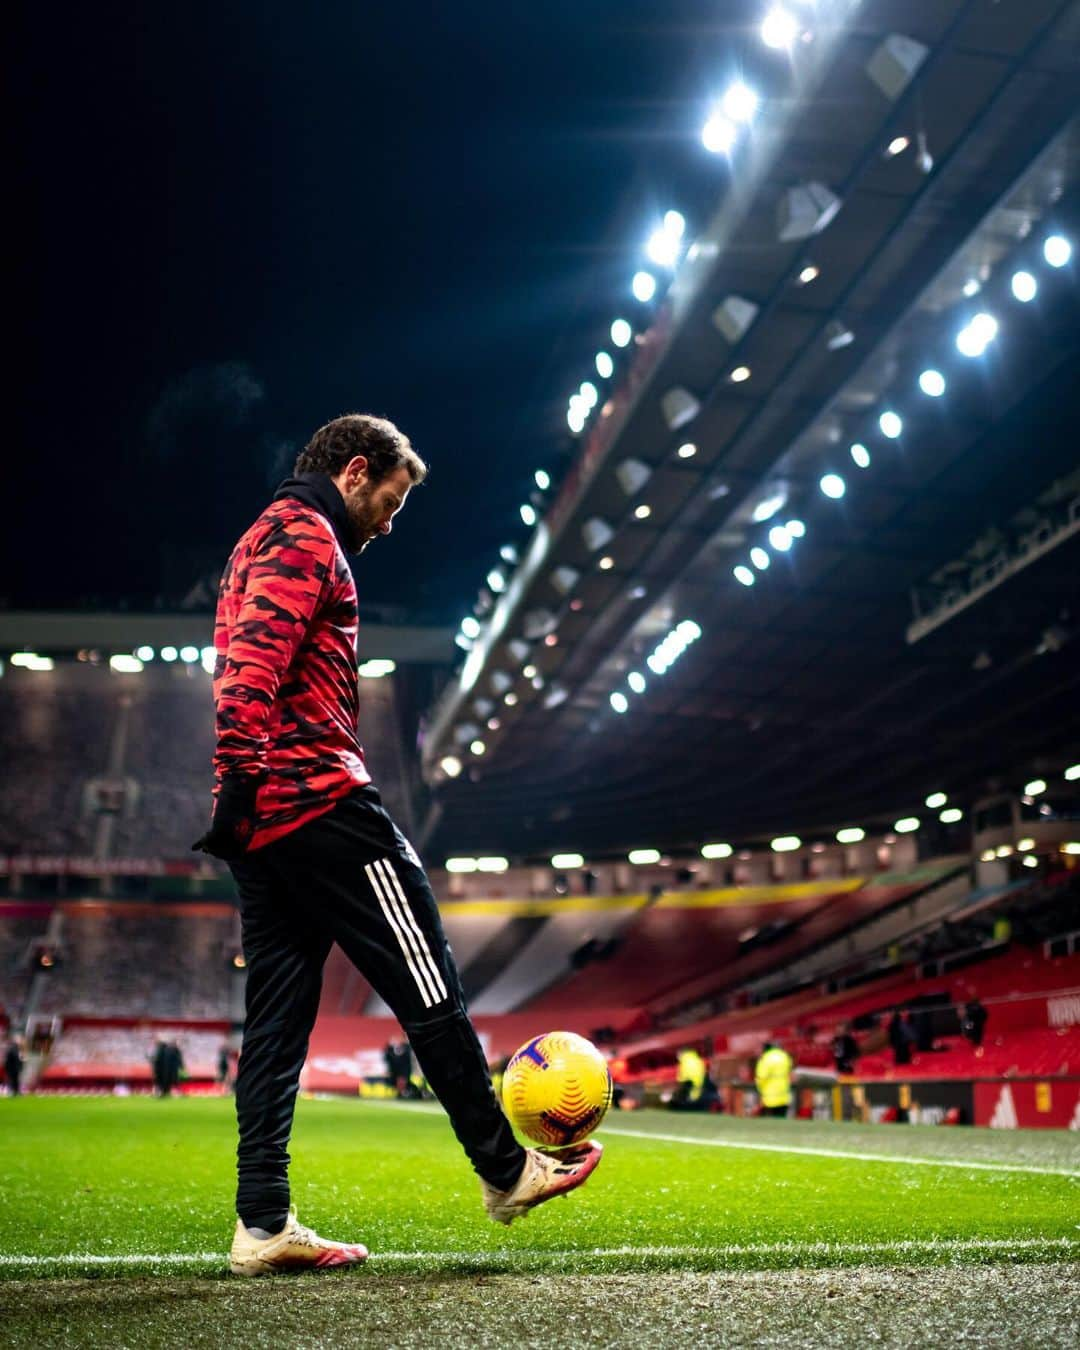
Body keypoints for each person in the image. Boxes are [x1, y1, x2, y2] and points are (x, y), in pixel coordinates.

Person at [194, 414, 600, 1277]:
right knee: (429, 985)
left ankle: (262, 1220)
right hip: (320, 805)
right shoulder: (305, 536)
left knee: (273, 1027)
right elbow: (252, 671)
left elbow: (247, 664)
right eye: (392, 498)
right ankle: (505, 1169)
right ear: (354, 471)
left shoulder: (256, 539)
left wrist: (241, 802)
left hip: (269, 823)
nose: (389, 520)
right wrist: (237, 783)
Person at [754, 1041, 793, 1117]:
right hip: (784, 1097)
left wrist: (759, 1090)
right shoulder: (785, 1056)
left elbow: (761, 1077)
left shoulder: (765, 1058)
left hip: (769, 1098)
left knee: (768, 1125)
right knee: (781, 1122)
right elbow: (790, 1073)